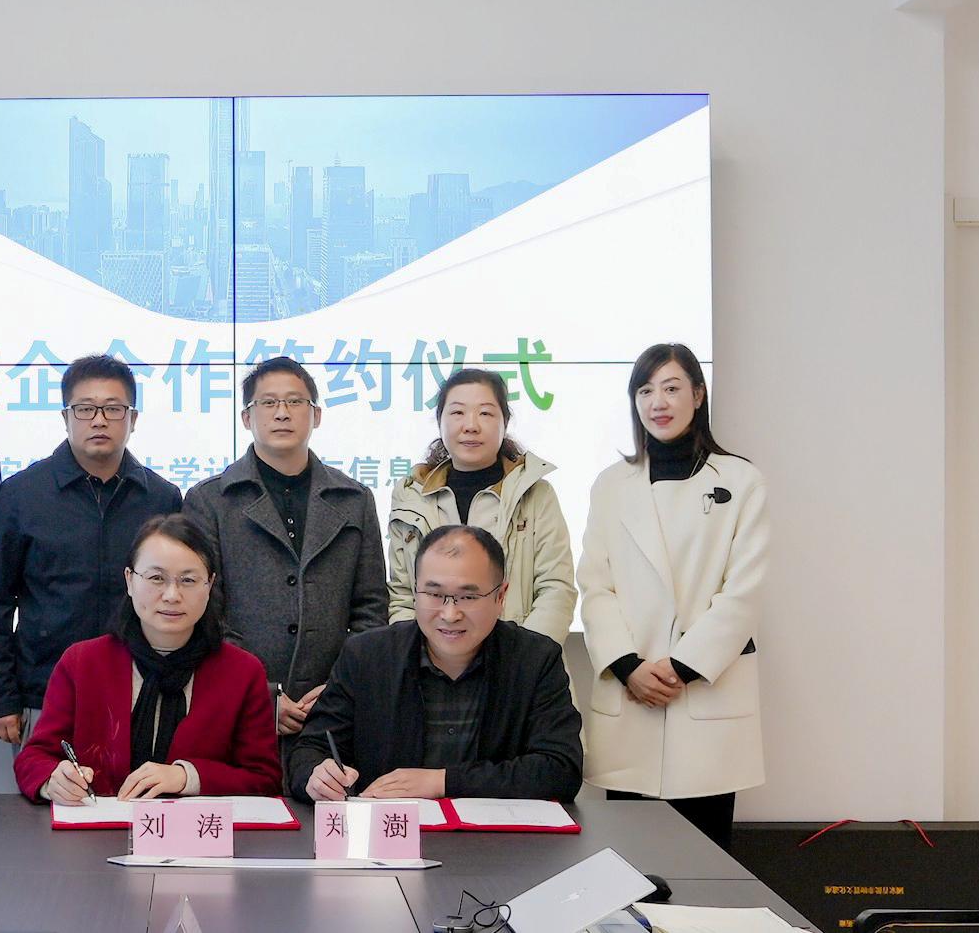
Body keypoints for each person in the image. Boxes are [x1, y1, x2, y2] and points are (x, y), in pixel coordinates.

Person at [578, 342, 768, 849]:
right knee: (629, 862)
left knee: (707, 863)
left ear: (698, 395)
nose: (657, 402)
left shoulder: (741, 481)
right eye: (645, 390)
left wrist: (680, 668)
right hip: (632, 693)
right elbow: (595, 585)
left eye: (670, 388)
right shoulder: (610, 485)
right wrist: (628, 666)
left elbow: (743, 593)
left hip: (703, 694)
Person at [0, 355, 181, 750]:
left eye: (113, 409)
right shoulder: (21, 495)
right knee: (46, 792)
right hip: (44, 693)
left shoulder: (161, 499)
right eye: (85, 409)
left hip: (142, 693)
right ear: (65, 417)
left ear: (133, 419)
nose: (99, 420)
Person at [292, 525, 582, 803]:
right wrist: (317, 776)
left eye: (468, 596)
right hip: (389, 831)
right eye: (434, 594)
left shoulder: (535, 660)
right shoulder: (365, 655)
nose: (450, 614)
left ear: (500, 597)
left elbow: (560, 771)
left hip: (495, 836)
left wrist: (442, 782)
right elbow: (311, 750)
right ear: (415, 592)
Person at [183, 357, 388, 741]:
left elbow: (371, 607)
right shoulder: (210, 501)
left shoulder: (354, 499)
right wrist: (257, 692)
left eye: (295, 401)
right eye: (268, 403)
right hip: (235, 705)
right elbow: (204, 612)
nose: (282, 413)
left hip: (331, 709)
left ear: (316, 415)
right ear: (247, 418)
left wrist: (340, 686)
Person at [14, 514, 282, 802]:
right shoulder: (82, 663)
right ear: (129, 580)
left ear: (210, 585)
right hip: (100, 827)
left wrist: (187, 777)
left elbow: (264, 779)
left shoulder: (243, 672)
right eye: (156, 578)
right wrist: (53, 780)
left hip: (196, 829)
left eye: (188, 580)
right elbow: (34, 757)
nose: (172, 595)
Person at [387, 368, 577, 643]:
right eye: (457, 412)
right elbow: (403, 596)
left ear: (505, 423)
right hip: (429, 664)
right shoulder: (410, 496)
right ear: (440, 422)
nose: (471, 425)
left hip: (520, 659)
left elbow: (556, 588)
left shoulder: (536, 494)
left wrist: (528, 658)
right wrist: (421, 659)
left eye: (485, 413)